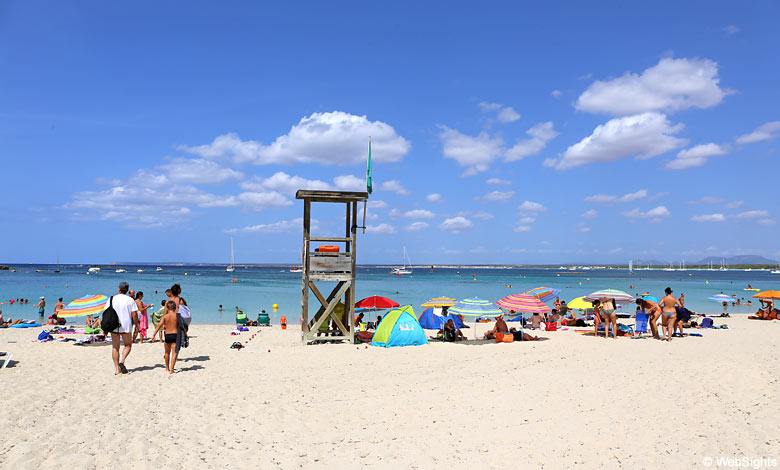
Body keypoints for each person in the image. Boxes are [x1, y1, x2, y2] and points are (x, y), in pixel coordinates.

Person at [105, 281, 139, 375]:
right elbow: (134, 314)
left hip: (113, 325)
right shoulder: (130, 300)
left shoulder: (111, 299)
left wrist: (105, 328)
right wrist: (137, 325)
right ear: (127, 290)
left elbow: (106, 313)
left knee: (115, 347)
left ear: (119, 289)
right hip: (126, 325)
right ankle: (122, 360)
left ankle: (117, 369)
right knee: (128, 345)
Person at [151, 300, 179, 374]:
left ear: (167, 308)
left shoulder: (165, 317)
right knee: (174, 353)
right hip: (175, 335)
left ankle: (167, 368)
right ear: (175, 307)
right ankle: (172, 369)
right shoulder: (177, 316)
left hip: (167, 335)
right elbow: (181, 326)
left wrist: (154, 335)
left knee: (167, 353)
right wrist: (185, 334)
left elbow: (159, 326)